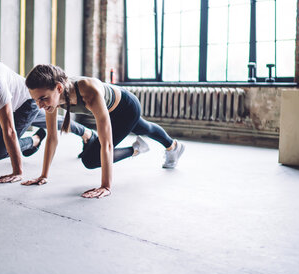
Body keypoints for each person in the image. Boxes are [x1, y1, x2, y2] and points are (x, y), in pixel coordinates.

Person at [22, 64, 185, 198]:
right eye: (36, 100)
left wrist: (106, 186)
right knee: (144, 127)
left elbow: (107, 144)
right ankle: (171, 146)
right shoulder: (53, 100)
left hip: (126, 109)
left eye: (43, 98)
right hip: (110, 110)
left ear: (58, 88)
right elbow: (51, 137)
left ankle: (141, 148)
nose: (40, 105)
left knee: (91, 159)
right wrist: (44, 175)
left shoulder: (88, 91)